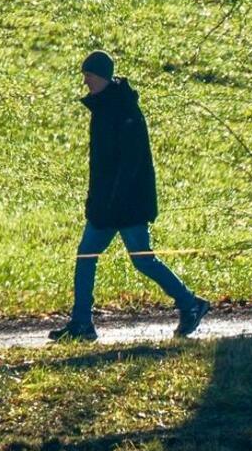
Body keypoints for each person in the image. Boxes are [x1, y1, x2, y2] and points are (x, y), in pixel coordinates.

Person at [49, 50, 210, 342]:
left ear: (102, 77)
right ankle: (82, 323)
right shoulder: (105, 108)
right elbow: (102, 166)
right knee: (92, 257)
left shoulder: (124, 111)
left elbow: (131, 164)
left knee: (140, 260)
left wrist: (112, 203)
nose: (85, 81)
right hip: (108, 206)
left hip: (126, 206)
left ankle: (191, 304)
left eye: (89, 75)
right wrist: (97, 202)